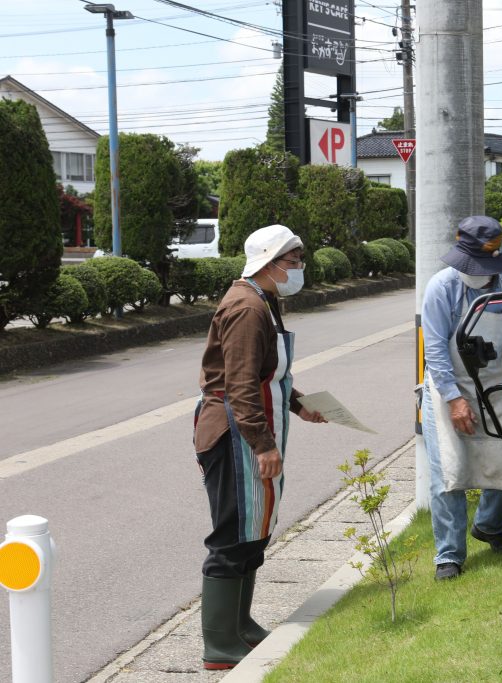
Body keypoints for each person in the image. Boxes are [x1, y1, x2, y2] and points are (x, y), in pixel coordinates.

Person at [192, 224, 327, 670]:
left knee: (254, 531)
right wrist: (263, 444)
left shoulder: (265, 301)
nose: (299, 268)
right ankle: (218, 644)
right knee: (232, 534)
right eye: (293, 260)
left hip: (250, 430)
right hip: (236, 433)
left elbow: (268, 375)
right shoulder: (247, 308)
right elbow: (241, 385)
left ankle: (240, 625)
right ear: (269, 263)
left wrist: (297, 402)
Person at [421, 215, 502, 581]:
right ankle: (448, 556)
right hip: (446, 383)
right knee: (448, 472)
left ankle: (488, 524)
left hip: (493, 382)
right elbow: (435, 348)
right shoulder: (441, 287)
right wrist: (454, 399)